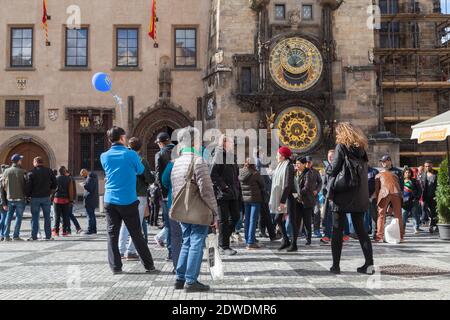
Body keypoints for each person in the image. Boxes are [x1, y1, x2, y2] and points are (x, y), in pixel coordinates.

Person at [101, 126, 156, 274]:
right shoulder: (131, 155)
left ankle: (115, 267)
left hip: (110, 200)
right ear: (122, 138)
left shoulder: (104, 155)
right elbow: (139, 170)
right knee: (136, 234)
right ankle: (149, 265)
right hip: (128, 200)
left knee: (112, 234)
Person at [171, 126, 218, 292]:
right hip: (198, 209)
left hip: (182, 210)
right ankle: (191, 281)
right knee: (196, 242)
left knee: (187, 242)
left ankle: (180, 278)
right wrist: (214, 212)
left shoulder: (176, 162)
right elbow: (206, 190)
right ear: (194, 141)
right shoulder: (198, 160)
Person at [326, 122, 374, 275]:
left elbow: (334, 169)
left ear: (342, 133)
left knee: (337, 231)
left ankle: (336, 266)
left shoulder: (341, 147)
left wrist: (328, 168)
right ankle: (369, 265)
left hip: (342, 193)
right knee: (361, 231)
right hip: (358, 194)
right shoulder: (361, 149)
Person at [118, 137, 154, 260]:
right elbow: (149, 178)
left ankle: (121, 250)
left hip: (125, 194)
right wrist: (150, 180)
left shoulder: (123, 159)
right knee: (136, 224)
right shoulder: (141, 160)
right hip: (139, 194)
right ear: (140, 147)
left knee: (125, 223)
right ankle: (131, 251)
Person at [210, 135, 242, 256]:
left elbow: (235, 173)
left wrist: (236, 188)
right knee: (223, 220)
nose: (233, 144)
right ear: (224, 143)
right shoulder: (218, 155)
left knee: (236, 217)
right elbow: (212, 174)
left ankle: (223, 241)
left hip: (233, 193)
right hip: (222, 194)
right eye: (230, 142)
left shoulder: (231, 156)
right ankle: (224, 246)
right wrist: (224, 186)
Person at [154, 132, 176, 260]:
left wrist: (163, 194)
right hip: (180, 191)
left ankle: (171, 253)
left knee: (168, 224)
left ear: (161, 143)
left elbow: (158, 176)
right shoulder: (179, 151)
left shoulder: (160, 154)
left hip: (167, 194)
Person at [269, 146, 295, 251]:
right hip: (282, 197)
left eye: (278, 154)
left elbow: (288, 185)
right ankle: (286, 240)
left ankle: (293, 243)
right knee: (277, 219)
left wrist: (282, 201)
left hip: (288, 198)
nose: (276, 156)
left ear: (283, 156)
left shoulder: (289, 166)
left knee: (292, 221)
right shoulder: (280, 165)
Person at [26, 156, 57, 241]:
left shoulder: (31, 172)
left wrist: (27, 196)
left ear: (35, 162)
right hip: (46, 197)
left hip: (35, 198)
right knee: (47, 217)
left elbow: (28, 186)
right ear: (42, 162)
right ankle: (48, 236)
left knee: (35, 217)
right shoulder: (49, 171)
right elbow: (55, 183)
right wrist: (50, 191)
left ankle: (34, 236)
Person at [239, 158, 265, 250]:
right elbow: (262, 185)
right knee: (253, 220)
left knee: (247, 220)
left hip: (245, 199)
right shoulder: (255, 173)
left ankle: (248, 239)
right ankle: (250, 242)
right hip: (255, 198)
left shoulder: (241, 172)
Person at [374, 167, 404, 242]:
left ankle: (379, 236)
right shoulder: (395, 175)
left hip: (384, 193)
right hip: (396, 193)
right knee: (398, 215)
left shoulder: (378, 175)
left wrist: (377, 200)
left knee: (381, 215)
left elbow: (377, 189)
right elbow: (401, 186)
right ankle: (400, 236)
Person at [2, 154, 27, 241]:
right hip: (20, 198)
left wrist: (4, 202)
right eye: (20, 160)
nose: (21, 161)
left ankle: (6, 236)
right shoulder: (22, 171)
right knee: (18, 217)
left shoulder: (6, 171)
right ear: (18, 161)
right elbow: (26, 186)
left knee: (8, 218)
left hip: (9, 199)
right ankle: (16, 236)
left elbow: (2, 188)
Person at [292, 157, 315, 251]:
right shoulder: (295, 173)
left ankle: (308, 238)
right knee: (296, 220)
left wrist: (298, 193)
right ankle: (294, 238)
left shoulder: (308, 173)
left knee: (307, 221)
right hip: (297, 201)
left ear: (304, 164)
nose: (297, 165)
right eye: (296, 163)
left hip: (306, 201)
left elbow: (307, 187)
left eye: (299, 163)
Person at [52, 166, 74, 237]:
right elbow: (70, 190)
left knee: (57, 216)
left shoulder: (56, 178)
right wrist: (71, 200)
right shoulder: (69, 179)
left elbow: (53, 189)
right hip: (65, 200)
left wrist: (51, 197)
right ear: (64, 172)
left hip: (57, 199)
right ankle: (64, 231)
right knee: (65, 216)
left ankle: (56, 231)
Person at [305, 156, 323, 238]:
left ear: (311, 162)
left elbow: (320, 182)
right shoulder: (301, 171)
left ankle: (316, 229)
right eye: (306, 162)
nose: (308, 164)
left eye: (309, 162)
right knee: (305, 214)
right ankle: (304, 230)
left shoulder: (315, 172)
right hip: (304, 196)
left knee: (316, 212)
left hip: (314, 196)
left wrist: (317, 190)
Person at [402, 167, 422, 234]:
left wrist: (417, 198)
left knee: (414, 215)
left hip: (413, 200)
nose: (408, 174)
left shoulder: (414, 181)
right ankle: (403, 229)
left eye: (409, 172)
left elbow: (420, 190)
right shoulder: (401, 181)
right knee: (404, 215)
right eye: (406, 172)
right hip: (404, 202)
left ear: (411, 173)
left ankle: (416, 228)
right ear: (404, 173)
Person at [420, 160, 438, 233]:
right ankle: (429, 222)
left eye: (429, 166)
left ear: (432, 166)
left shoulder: (436, 174)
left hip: (434, 196)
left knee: (434, 211)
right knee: (424, 208)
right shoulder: (423, 174)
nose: (427, 167)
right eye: (426, 166)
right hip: (425, 196)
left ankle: (434, 226)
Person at [321, 150, 335, 244]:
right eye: (329, 156)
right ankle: (327, 235)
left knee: (336, 217)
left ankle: (341, 234)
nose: (330, 158)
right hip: (327, 196)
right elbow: (324, 183)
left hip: (335, 196)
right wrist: (325, 193)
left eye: (332, 156)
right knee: (326, 216)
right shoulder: (327, 168)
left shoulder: (339, 167)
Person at [80, 168, 99, 235]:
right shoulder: (94, 177)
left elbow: (90, 188)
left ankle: (90, 230)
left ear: (85, 172)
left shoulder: (90, 178)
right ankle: (94, 230)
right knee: (92, 215)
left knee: (90, 215)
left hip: (89, 199)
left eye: (82, 175)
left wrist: (83, 185)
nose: (82, 176)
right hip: (93, 199)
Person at [366, 166, 379, 237]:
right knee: (364, 216)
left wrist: (372, 196)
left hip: (373, 198)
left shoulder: (374, 171)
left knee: (374, 215)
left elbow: (378, 185)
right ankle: (366, 231)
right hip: (362, 198)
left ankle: (376, 232)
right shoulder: (358, 170)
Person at [0, 165, 9, 241]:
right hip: (3, 202)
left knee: (2, 218)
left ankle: (2, 234)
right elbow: (2, 193)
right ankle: (2, 234)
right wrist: (4, 204)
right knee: (3, 219)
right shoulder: (3, 179)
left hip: (2, 201)